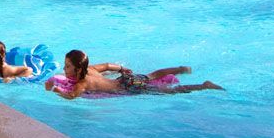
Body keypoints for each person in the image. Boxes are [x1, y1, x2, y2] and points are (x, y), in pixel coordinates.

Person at [47, 49, 222, 99]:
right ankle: (180, 69)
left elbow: (71, 96)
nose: (64, 69)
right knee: (153, 75)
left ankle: (204, 85)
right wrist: (122, 69)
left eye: (67, 67)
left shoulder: (81, 84)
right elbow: (108, 65)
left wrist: (54, 89)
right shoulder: (91, 68)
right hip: (126, 78)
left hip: (127, 86)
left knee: (168, 91)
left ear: (78, 69)